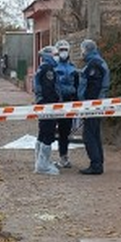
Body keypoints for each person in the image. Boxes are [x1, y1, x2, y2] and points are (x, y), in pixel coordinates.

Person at [76, 38, 110, 175]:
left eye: (82, 50)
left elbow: (93, 87)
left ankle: (96, 165)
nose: (81, 53)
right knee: (95, 134)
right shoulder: (96, 62)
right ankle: (98, 162)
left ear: (87, 50)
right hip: (96, 104)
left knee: (89, 135)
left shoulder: (94, 65)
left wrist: (87, 104)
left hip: (92, 105)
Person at [31, 45, 60, 175]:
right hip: (48, 105)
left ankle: (41, 161)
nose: (57, 57)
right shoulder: (48, 70)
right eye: (55, 54)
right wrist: (55, 102)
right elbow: (49, 90)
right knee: (48, 132)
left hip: (43, 104)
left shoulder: (42, 67)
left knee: (42, 132)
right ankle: (43, 165)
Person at [53, 39, 80, 168]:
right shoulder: (52, 66)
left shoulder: (73, 67)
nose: (63, 52)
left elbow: (77, 84)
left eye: (65, 50)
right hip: (55, 103)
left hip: (68, 103)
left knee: (65, 132)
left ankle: (64, 157)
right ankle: (44, 159)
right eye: (61, 50)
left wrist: (76, 100)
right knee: (48, 131)